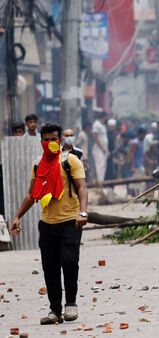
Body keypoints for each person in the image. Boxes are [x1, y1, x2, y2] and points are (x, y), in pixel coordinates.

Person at [9, 123, 88, 324]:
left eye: (53, 139)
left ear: (60, 141)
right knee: (50, 267)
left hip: (70, 221)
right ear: (41, 141)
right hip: (46, 224)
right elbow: (31, 194)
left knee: (70, 262)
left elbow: (82, 188)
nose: (50, 143)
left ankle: (71, 303)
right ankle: (55, 310)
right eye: (46, 140)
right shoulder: (38, 164)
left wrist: (83, 212)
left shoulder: (70, 161)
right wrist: (18, 216)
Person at [128, 127, 147, 196]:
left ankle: (137, 194)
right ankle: (130, 194)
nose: (144, 136)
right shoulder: (135, 142)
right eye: (144, 135)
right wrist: (132, 166)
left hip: (140, 163)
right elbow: (132, 154)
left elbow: (142, 153)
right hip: (136, 164)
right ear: (140, 134)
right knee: (135, 179)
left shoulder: (141, 142)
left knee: (138, 180)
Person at [92, 112, 110, 182]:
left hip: (104, 150)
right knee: (99, 166)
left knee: (103, 167)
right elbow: (95, 138)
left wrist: (106, 150)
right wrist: (102, 148)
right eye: (106, 117)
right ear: (104, 117)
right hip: (98, 150)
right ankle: (100, 182)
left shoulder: (103, 125)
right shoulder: (96, 124)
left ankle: (102, 181)